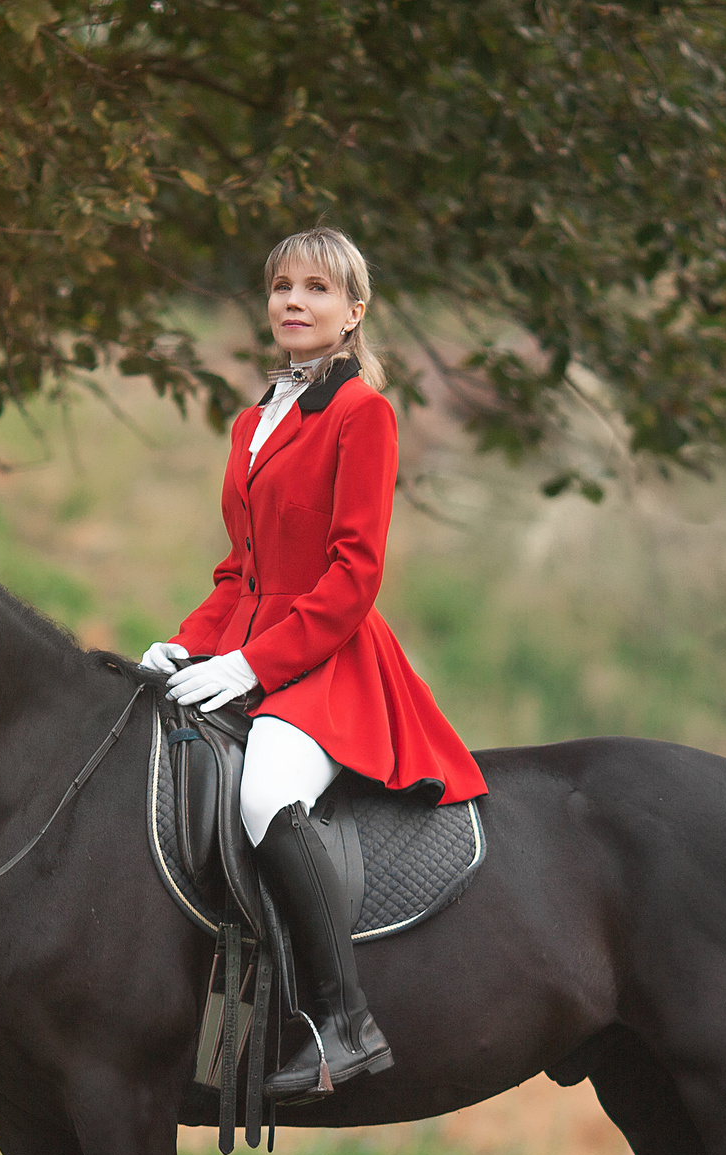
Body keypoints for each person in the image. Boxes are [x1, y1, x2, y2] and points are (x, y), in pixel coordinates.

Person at [139, 227, 488, 1102]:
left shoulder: (363, 413)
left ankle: (343, 1025)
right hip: (247, 648)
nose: (294, 302)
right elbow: (239, 571)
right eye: (282, 287)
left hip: (328, 660)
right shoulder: (251, 422)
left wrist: (253, 666)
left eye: (318, 290)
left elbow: (352, 576)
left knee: (263, 792)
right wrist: (188, 641)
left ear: (353, 312)